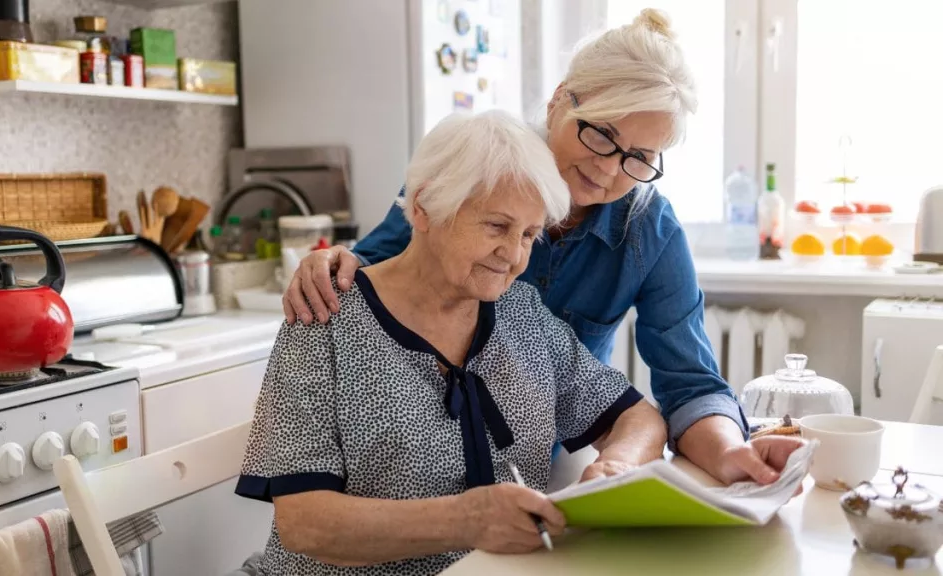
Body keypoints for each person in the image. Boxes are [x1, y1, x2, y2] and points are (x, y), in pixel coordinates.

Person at [280, 9, 805, 487]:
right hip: (414, 469)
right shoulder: (472, 169)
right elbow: (376, 270)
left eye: (638, 156)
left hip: (542, 465)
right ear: (560, 100)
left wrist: (731, 452)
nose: (606, 168)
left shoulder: (650, 232)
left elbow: (689, 384)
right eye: (601, 134)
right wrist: (330, 262)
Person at [234, 109, 667, 575]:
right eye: (497, 227)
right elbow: (305, 523)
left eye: (529, 234)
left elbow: (636, 417)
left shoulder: (522, 314)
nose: (514, 255)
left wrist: (617, 466)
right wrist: (466, 520)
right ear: (423, 207)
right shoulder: (326, 317)